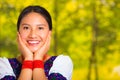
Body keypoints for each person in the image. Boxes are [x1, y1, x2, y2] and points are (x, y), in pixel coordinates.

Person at [0, 5, 73, 80]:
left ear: (49, 33)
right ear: (18, 33)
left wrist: (38, 58)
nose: (33, 35)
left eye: (40, 28)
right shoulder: (3, 65)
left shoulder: (62, 62)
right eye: (26, 28)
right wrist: (28, 58)